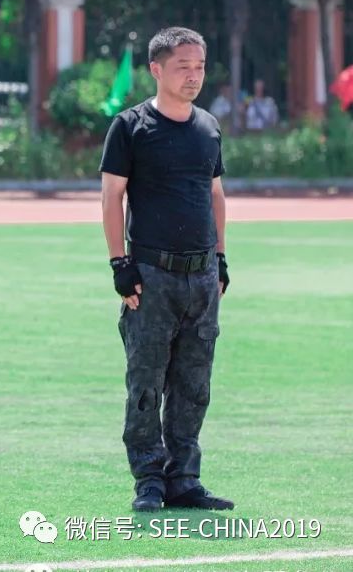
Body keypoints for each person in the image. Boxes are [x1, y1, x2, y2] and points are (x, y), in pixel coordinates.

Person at [99, 26, 234, 513]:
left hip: (202, 276)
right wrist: (120, 263)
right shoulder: (131, 127)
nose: (193, 76)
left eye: (200, 67)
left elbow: (215, 195)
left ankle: (185, 478)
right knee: (146, 382)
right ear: (156, 69)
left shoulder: (209, 127)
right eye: (183, 67)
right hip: (151, 275)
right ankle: (149, 480)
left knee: (194, 385)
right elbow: (112, 197)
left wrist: (220, 257)